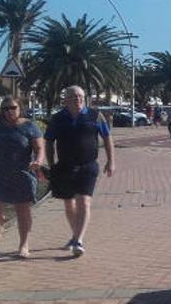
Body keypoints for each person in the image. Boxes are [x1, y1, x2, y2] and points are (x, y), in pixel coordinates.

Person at [45, 85, 116, 257]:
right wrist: (51, 163)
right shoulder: (57, 118)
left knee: (84, 201)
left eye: (80, 96)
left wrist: (111, 161)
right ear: (66, 99)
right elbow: (48, 141)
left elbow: (107, 138)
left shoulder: (95, 116)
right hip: (64, 166)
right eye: (74, 96)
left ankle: (78, 240)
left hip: (88, 165)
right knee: (69, 203)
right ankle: (75, 235)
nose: (78, 99)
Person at [0, 96, 45, 263]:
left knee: (22, 211)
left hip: (22, 175)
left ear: (20, 108)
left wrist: (39, 161)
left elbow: (39, 148)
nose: (8, 111)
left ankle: (23, 245)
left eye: (12, 108)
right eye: (5, 109)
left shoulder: (30, 127)